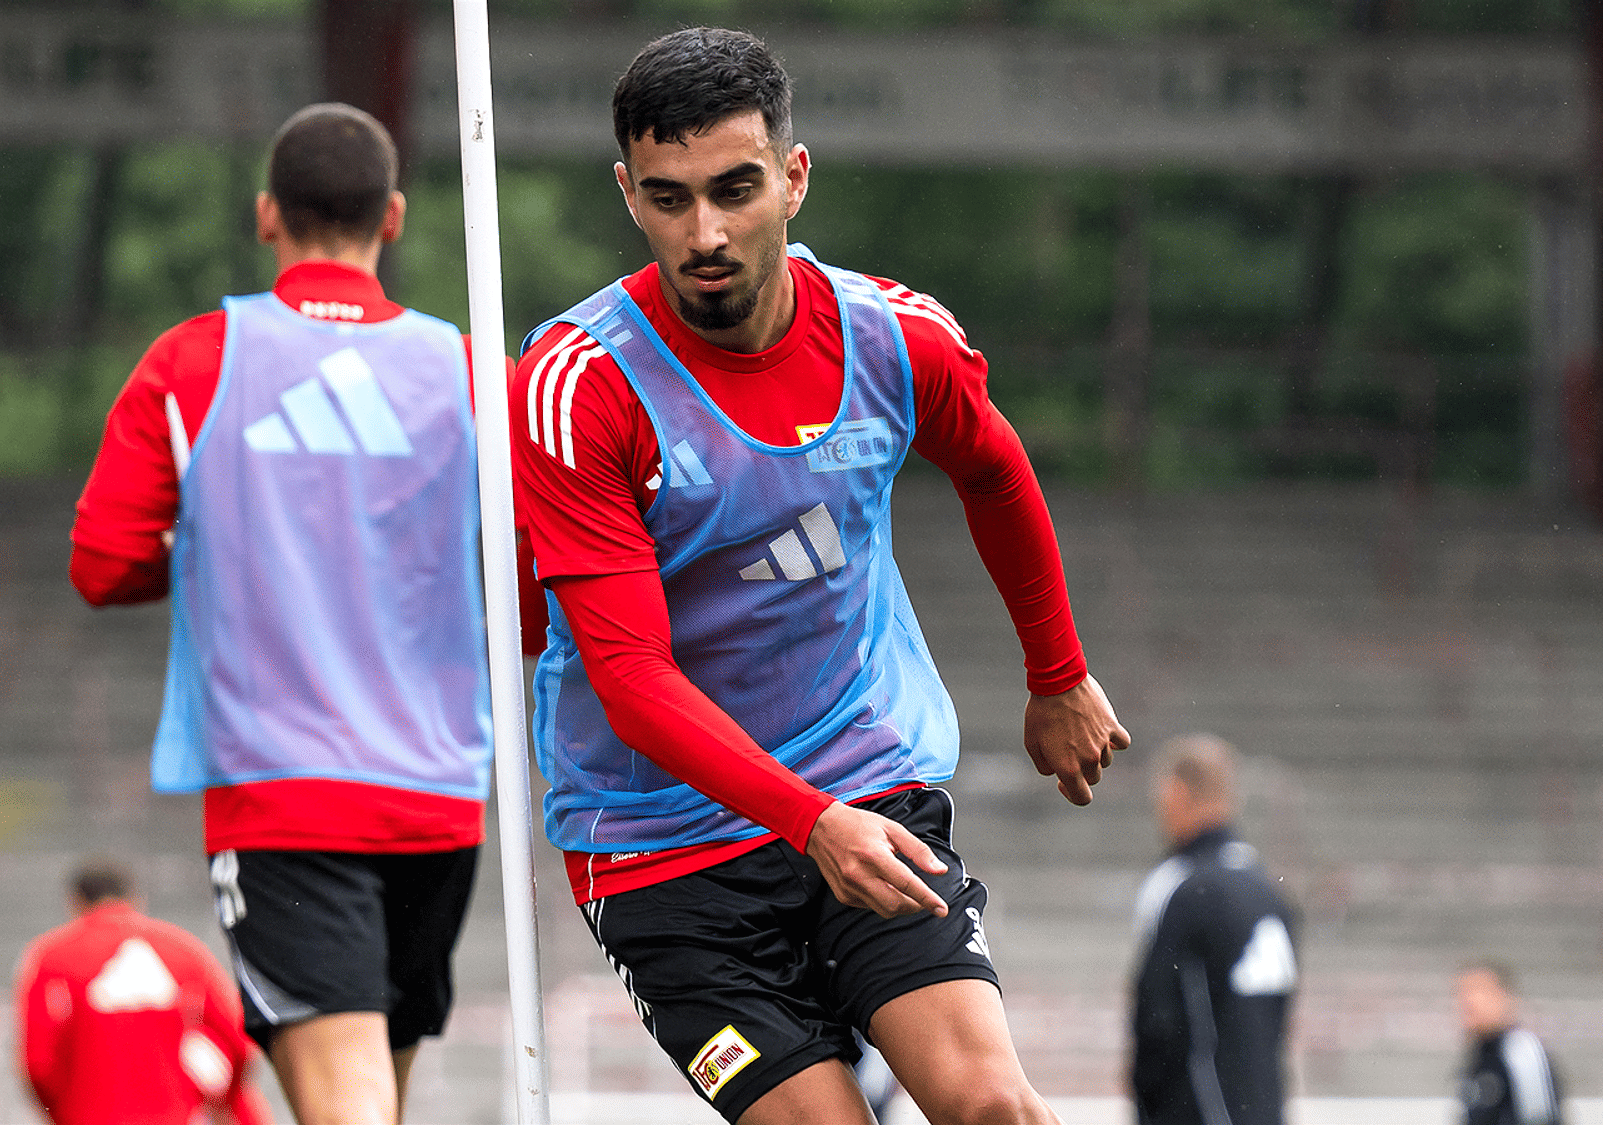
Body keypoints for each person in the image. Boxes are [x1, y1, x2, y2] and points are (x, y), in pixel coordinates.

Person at [510, 27, 1130, 1125]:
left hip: (861, 779)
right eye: (668, 198)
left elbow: (992, 468)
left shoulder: (896, 338)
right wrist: (804, 823)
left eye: (734, 189)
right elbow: (629, 676)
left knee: (995, 1107)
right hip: (659, 844)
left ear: (793, 178)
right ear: (627, 194)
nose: (704, 231)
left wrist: (1057, 674)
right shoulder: (578, 385)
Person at [70, 103, 514, 1125]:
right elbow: (534, 557)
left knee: (349, 1108)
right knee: (372, 1101)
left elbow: (103, 562)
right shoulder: (467, 372)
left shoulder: (191, 363)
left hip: (285, 798)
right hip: (436, 795)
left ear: (266, 215)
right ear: (392, 219)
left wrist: (209, 558)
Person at [14, 858, 272, 1125]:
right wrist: (221, 1103)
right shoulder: (184, 951)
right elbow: (236, 1041)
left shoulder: (51, 958)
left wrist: (63, 1113)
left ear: (75, 903)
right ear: (136, 899)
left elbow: (38, 1064)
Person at [1128, 734, 1299, 1125]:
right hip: (1263, 1109)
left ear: (1177, 792)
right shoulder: (1269, 890)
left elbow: (1157, 1016)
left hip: (1199, 1111)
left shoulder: (1179, 886)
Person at [1455, 960, 1563, 1125]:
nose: (1469, 1001)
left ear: (1506, 998)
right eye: (1464, 992)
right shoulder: (1480, 1055)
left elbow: (1541, 1120)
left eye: (1480, 991)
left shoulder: (1521, 1050)